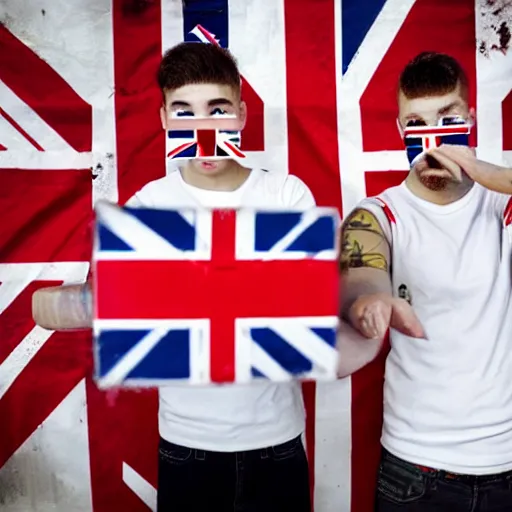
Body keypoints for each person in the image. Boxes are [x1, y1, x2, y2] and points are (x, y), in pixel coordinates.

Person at [32, 41, 385, 512]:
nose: (203, 130)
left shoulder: (285, 195)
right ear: (163, 120)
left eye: (217, 110)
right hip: (187, 449)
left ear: (240, 114)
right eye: (184, 112)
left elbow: (311, 308)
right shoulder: (147, 207)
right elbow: (90, 308)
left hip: (277, 443)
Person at [339, 51, 512, 511]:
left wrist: (483, 172)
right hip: (415, 472)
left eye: (447, 119)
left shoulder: (500, 206)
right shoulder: (379, 213)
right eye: (416, 123)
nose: (431, 139)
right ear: (399, 131)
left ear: (471, 119)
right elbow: (362, 265)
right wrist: (369, 300)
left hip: (506, 462)